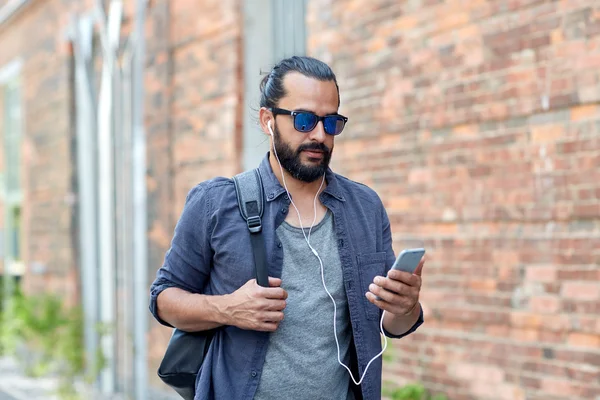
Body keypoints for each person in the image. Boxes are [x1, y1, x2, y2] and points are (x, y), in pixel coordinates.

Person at [149, 56, 425, 400]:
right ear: (268, 120)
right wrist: (228, 308)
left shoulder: (365, 208)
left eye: (331, 122)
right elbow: (163, 300)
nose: (320, 135)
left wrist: (406, 307)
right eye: (305, 120)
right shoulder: (215, 203)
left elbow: (391, 325)